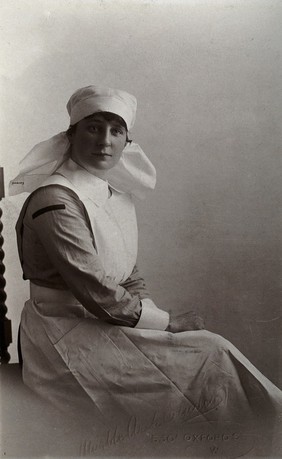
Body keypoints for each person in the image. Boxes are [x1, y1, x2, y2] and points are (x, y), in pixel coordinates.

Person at [10, 85, 282, 456]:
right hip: (62, 334)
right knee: (208, 355)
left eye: (116, 130)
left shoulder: (112, 193)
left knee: (209, 354)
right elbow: (93, 286)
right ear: (70, 135)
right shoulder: (55, 199)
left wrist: (151, 317)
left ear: (126, 142)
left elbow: (126, 269)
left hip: (106, 320)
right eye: (93, 127)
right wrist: (166, 323)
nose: (104, 140)